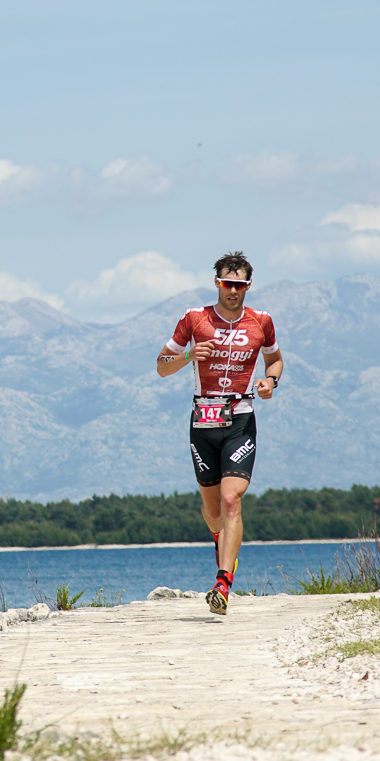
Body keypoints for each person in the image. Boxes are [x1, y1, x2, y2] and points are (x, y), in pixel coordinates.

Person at [154, 251, 281, 615]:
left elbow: (275, 359)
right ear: (217, 283)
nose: (233, 291)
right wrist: (188, 357)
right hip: (203, 424)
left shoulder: (261, 322)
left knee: (231, 500)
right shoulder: (195, 320)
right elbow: (161, 366)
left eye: (240, 285)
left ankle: (222, 584)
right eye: (228, 283)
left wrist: (270, 381)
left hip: (240, 420)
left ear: (248, 286)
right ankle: (220, 539)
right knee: (212, 511)